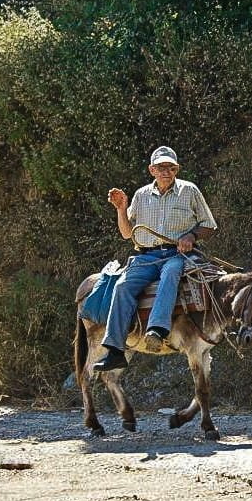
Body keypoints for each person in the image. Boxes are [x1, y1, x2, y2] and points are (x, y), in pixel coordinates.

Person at [93, 145, 218, 371]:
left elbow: (209, 225)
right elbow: (127, 233)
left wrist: (191, 235)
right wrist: (121, 209)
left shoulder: (189, 191)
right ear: (152, 170)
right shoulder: (141, 195)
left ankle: (157, 330)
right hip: (146, 256)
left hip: (177, 254)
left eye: (171, 167)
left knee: (171, 272)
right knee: (122, 286)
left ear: (177, 169)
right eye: (161, 167)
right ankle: (115, 350)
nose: (166, 172)